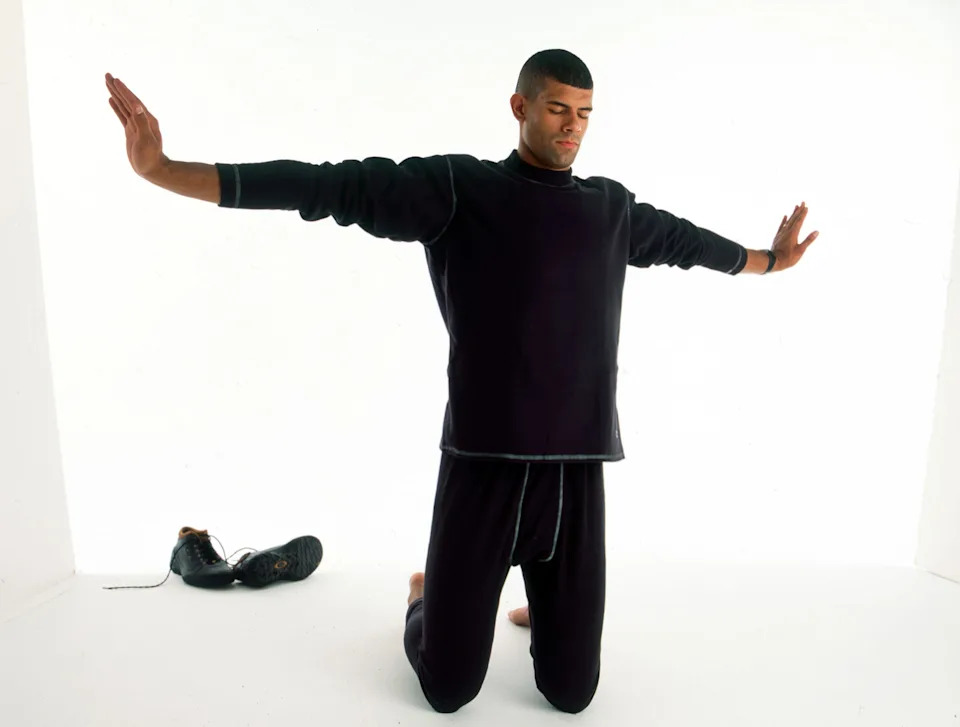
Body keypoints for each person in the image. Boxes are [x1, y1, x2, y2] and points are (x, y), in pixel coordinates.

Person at [104, 49, 818, 715]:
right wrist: (165, 169)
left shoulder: (610, 208)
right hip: (483, 469)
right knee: (447, 690)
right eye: (557, 109)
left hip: (576, 473)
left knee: (572, 694)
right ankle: (426, 596)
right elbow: (325, 185)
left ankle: (543, 603)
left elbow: (688, 243)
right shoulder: (458, 189)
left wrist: (769, 260)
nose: (572, 126)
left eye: (584, 113)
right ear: (520, 107)